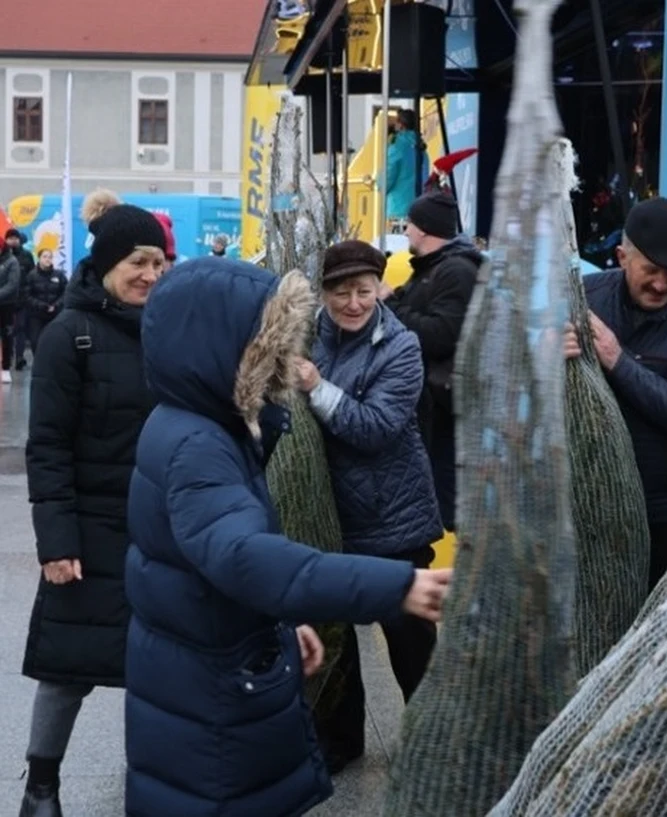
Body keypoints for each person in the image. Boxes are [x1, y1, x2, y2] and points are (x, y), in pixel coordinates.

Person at [123, 257, 452, 817]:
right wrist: (397, 586)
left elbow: (212, 557)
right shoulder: (200, 443)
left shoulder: (189, 419)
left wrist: (275, 625)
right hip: (212, 698)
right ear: (221, 346)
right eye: (265, 343)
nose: (277, 357)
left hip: (208, 667)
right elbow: (243, 555)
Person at [19, 190, 168, 817]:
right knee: (68, 665)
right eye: (138, 261)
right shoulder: (68, 335)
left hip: (157, 530)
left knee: (158, 670)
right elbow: (46, 446)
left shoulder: (169, 331)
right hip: (87, 527)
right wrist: (56, 543)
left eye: (159, 263)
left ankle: (153, 781)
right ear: (106, 263)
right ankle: (41, 787)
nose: (150, 275)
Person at [299, 240, 444, 774]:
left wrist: (315, 387)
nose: (353, 304)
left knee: (407, 633)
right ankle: (340, 740)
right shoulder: (307, 332)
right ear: (324, 293)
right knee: (334, 632)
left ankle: (434, 734)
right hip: (328, 512)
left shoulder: (400, 347)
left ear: (379, 290)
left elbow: (377, 427)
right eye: (341, 293)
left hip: (391, 517)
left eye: (363, 292)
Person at [563, 197, 667, 591]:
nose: (660, 283)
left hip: (659, 510)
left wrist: (618, 360)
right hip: (582, 502)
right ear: (622, 257)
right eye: (650, 270)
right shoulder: (583, 298)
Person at [387, 191, 483, 531]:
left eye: (409, 225)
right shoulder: (436, 269)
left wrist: (391, 306)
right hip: (436, 412)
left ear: (425, 229)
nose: (406, 232)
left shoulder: (455, 271)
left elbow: (442, 334)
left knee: (451, 517)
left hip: (447, 415)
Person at [385, 109, 428, 229]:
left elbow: (387, 178)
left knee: (398, 244)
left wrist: (379, 182)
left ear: (401, 125)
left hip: (399, 209)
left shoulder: (397, 147)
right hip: (419, 207)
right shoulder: (422, 147)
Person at [23, 250, 68, 355]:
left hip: (55, 314)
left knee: (55, 341)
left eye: (50, 257)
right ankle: (38, 363)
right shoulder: (31, 275)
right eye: (45, 256)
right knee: (35, 341)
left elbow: (66, 292)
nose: (48, 259)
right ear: (39, 258)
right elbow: (26, 295)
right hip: (36, 314)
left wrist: (56, 305)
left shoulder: (59, 275)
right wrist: (40, 305)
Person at [7, 229, 35, 370]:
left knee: (21, 328)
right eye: (10, 238)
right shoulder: (3, 256)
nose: (13, 241)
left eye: (15, 238)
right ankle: (8, 356)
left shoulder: (27, 255)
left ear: (19, 240)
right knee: (7, 329)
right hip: (5, 300)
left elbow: (32, 276)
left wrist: (28, 294)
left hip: (23, 300)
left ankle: (19, 357)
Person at [0, 239, 21, 384]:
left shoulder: (12, 261)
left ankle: (6, 368)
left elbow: (13, 284)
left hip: (6, 305)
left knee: (6, 336)